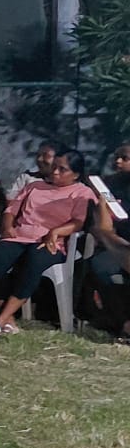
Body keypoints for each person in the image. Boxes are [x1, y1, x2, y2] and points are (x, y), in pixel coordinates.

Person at [0, 147, 97, 342]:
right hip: (20, 237)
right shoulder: (35, 186)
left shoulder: (82, 193)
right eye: (54, 167)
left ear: (76, 174)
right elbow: (11, 210)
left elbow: (79, 222)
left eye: (62, 169)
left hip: (51, 243)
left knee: (34, 260)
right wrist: (7, 226)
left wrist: (55, 231)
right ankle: (9, 319)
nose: (55, 172)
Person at [85, 142, 130, 337]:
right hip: (113, 245)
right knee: (102, 267)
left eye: (125, 158)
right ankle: (120, 321)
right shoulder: (109, 185)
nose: (118, 161)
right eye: (116, 157)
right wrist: (103, 202)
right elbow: (103, 228)